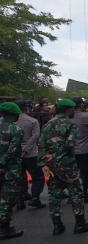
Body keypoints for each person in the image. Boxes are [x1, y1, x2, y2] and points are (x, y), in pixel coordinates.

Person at [39, 98, 88, 235]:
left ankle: (57, 225)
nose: (73, 111)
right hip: (67, 165)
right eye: (72, 109)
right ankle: (80, 223)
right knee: (76, 193)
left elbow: (41, 146)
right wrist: (59, 156)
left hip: (51, 166)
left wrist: (44, 163)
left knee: (54, 195)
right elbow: (70, 144)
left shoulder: (47, 125)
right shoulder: (70, 124)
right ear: (67, 110)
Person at [0, 102, 25, 239]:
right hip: (9, 169)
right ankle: (4, 229)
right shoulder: (16, 129)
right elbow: (12, 150)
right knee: (7, 199)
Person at [15, 100, 45, 209]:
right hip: (31, 153)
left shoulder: (7, 121)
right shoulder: (32, 121)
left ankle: (20, 198)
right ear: (27, 108)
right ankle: (35, 198)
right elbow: (35, 136)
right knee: (38, 177)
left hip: (15, 153)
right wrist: (26, 149)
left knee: (19, 175)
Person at [71, 97, 88, 203]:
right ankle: (84, 194)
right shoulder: (87, 116)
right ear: (81, 105)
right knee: (85, 173)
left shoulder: (67, 117)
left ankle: (73, 195)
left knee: (71, 173)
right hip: (85, 149)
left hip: (70, 149)